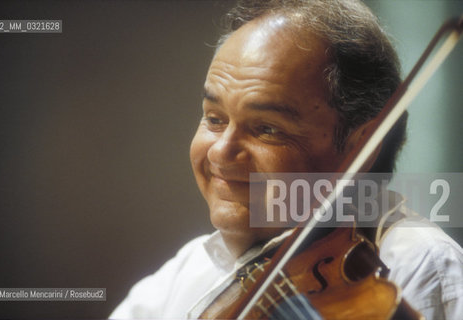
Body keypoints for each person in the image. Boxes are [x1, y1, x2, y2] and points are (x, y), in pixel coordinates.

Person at [110, 0, 463, 318]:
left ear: (362, 148)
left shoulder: (415, 262)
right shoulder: (189, 270)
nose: (220, 152)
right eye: (214, 119)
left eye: (266, 128)